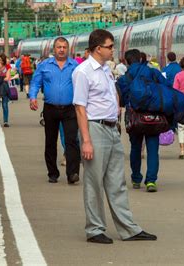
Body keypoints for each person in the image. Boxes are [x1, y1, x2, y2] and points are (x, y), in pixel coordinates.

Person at [72, 29, 156, 244]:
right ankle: (95, 229)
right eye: (110, 46)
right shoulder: (83, 72)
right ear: (98, 48)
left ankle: (128, 228)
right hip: (94, 129)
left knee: (117, 181)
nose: (113, 50)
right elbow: (80, 108)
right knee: (94, 182)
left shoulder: (106, 70)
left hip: (110, 129)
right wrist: (87, 140)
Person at [117, 49, 171, 192]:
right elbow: (167, 87)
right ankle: (151, 181)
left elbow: (121, 99)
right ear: (140, 59)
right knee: (153, 149)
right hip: (153, 117)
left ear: (126, 62)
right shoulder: (153, 72)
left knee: (135, 148)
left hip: (134, 118)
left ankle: (136, 179)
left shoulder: (124, 78)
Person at [29, 37, 80, 185]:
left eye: (64, 47)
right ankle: (52, 173)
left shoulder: (75, 66)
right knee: (50, 141)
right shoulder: (44, 65)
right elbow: (35, 83)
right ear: (54, 49)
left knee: (72, 141)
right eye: (59, 47)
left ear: (68, 49)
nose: (62, 49)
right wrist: (33, 97)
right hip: (50, 109)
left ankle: (73, 173)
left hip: (70, 109)